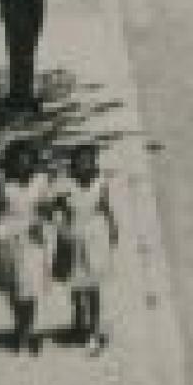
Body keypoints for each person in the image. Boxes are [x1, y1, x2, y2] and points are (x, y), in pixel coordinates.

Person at [0, 137, 55, 353]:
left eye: (28, 160)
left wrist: (43, 219)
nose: (24, 164)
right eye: (18, 160)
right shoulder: (4, 182)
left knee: (30, 289)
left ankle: (28, 332)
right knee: (14, 290)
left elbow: (48, 209)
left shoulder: (41, 181)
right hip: (8, 238)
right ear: (10, 161)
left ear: (34, 161)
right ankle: (19, 327)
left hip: (32, 240)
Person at [54, 141, 118, 355]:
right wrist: (61, 231)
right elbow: (59, 212)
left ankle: (93, 331)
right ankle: (78, 321)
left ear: (94, 163)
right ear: (73, 163)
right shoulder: (66, 185)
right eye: (80, 160)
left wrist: (113, 229)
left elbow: (106, 207)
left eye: (89, 160)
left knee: (92, 287)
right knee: (75, 284)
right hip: (73, 237)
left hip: (95, 237)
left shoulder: (100, 182)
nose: (84, 164)